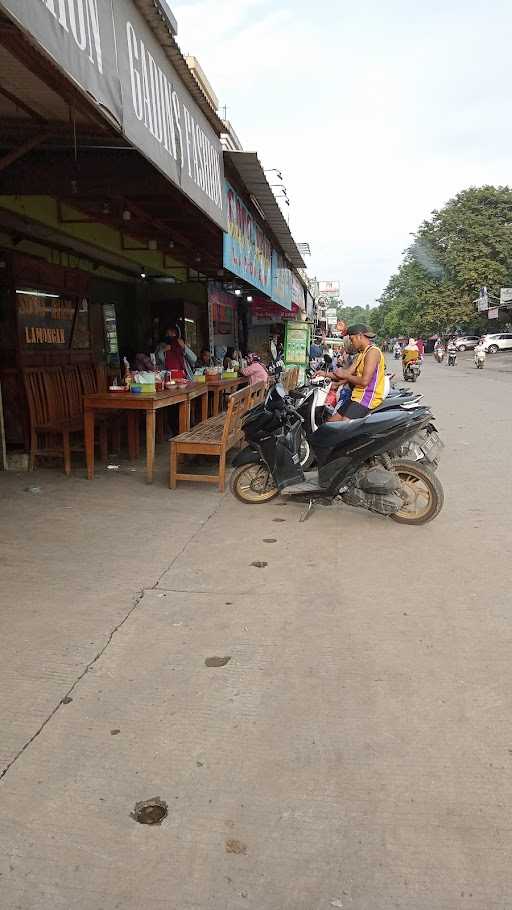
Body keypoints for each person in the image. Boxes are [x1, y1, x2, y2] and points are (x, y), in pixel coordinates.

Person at [324, 324, 386, 421]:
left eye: (352, 340)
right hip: (356, 396)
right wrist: (324, 374)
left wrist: (346, 375)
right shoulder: (361, 354)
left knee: (344, 425)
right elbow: (347, 372)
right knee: (331, 421)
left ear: (359, 336)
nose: (352, 343)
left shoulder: (373, 352)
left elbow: (364, 381)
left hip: (367, 398)